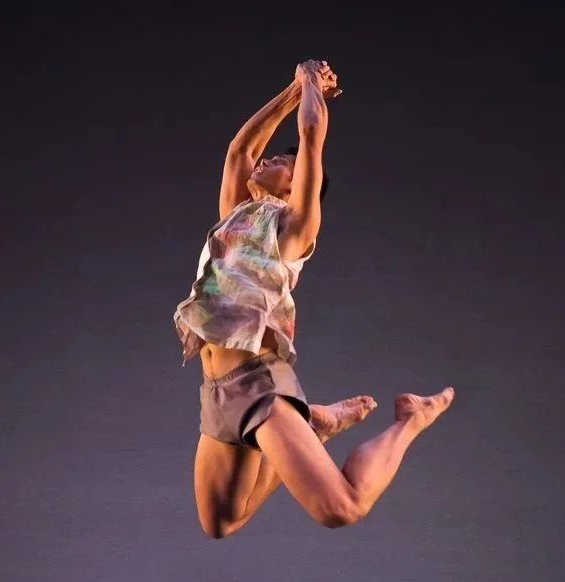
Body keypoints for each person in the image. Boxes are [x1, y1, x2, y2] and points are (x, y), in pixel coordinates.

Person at [174, 59, 455, 539]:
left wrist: (310, 84)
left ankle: (413, 419)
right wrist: (290, 91)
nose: (268, 160)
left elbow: (310, 137)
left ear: (295, 185)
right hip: (216, 389)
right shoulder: (236, 217)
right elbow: (240, 149)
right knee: (220, 523)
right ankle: (317, 429)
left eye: (281, 163)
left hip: (258, 386)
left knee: (342, 507)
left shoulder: (292, 230)